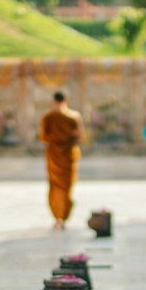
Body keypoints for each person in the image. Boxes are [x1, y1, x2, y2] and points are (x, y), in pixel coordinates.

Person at [39, 91, 85, 230]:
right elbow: (80, 136)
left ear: (53, 101)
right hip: (68, 155)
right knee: (67, 187)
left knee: (55, 187)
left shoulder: (48, 117)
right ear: (66, 101)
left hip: (55, 155)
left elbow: (43, 137)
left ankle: (58, 216)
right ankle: (63, 216)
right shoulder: (74, 116)